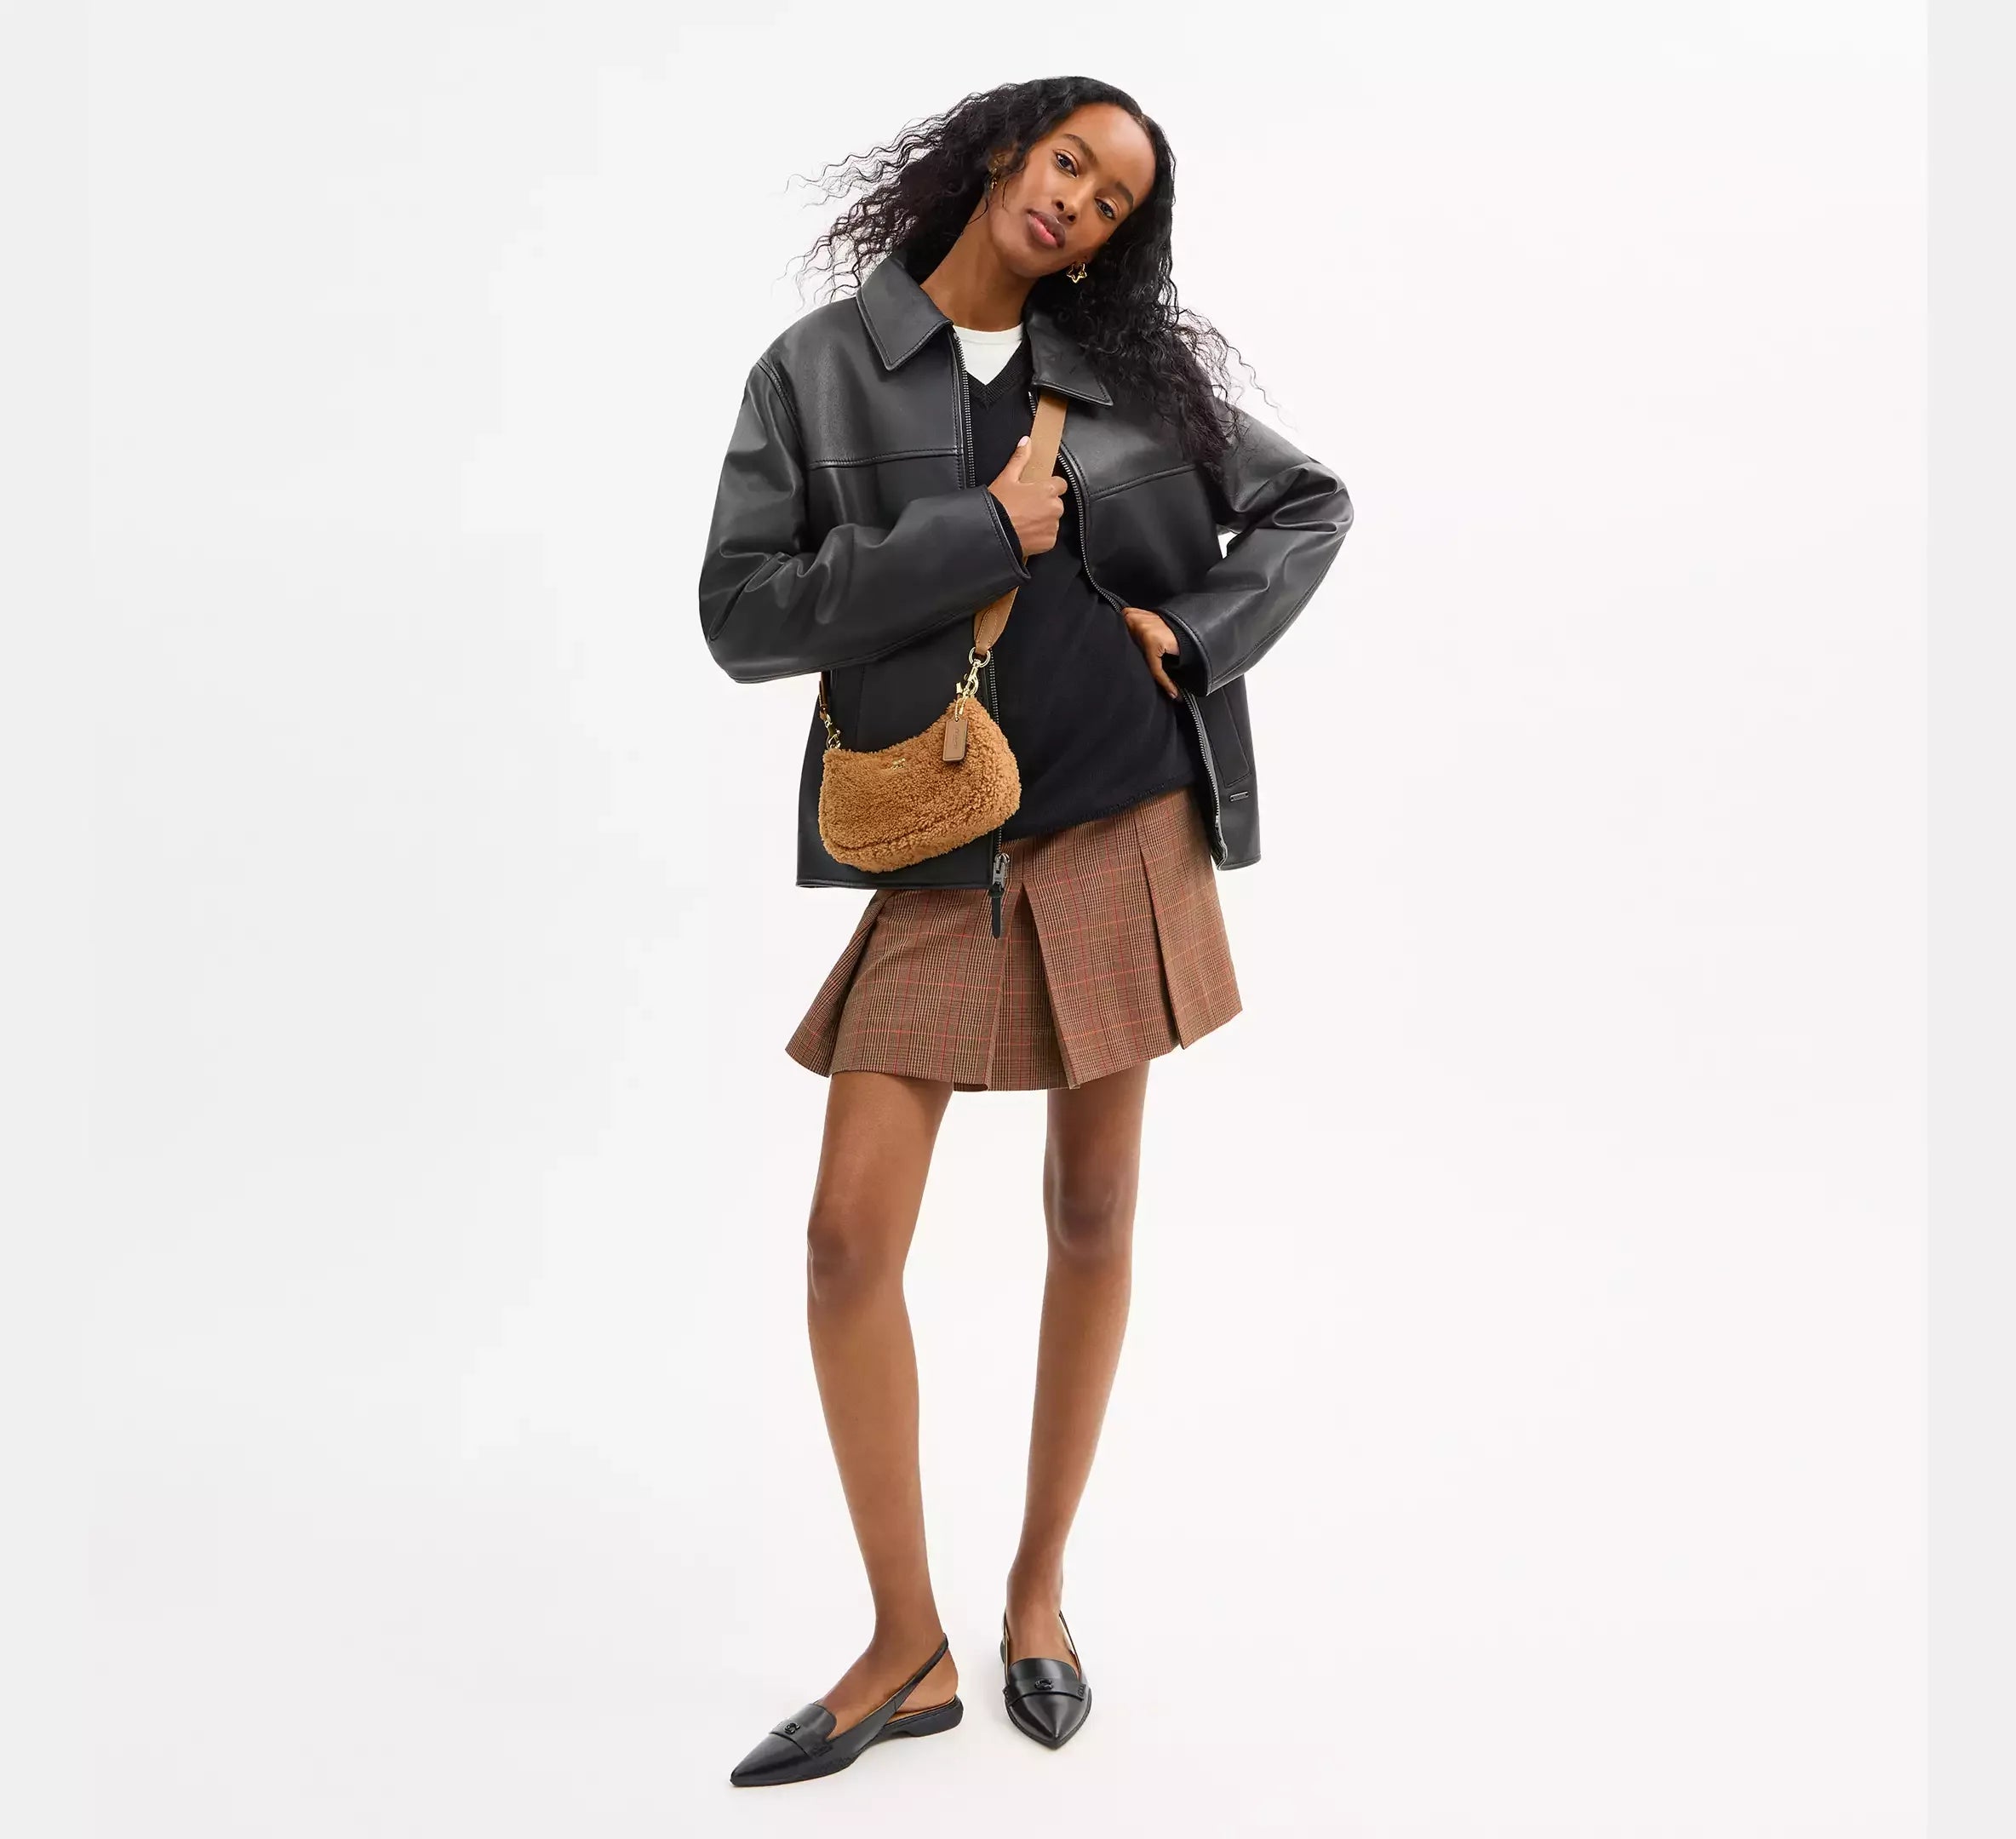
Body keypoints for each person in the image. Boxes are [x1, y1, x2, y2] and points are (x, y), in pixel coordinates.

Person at [696, 75, 1353, 1786]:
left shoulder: (1137, 375)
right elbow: (742, 615)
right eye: (1070, 161)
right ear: (1003, 151)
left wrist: (1195, 638)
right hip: (939, 839)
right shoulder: (818, 371)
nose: (1079, 202)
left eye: (1115, 199)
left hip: (1125, 822)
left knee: (1091, 1210)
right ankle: (902, 1644)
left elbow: (1308, 504)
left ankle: (1037, 1595)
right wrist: (972, 535)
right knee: (847, 1242)